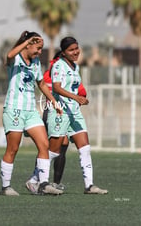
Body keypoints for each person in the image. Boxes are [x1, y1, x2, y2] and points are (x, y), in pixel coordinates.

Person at [0, 31, 62, 196]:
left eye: (42, 49)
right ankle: (6, 186)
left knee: (44, 145)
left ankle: (43, 183)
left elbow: (41, 84)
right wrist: (26, 41)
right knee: (12, 148)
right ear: (28, 44)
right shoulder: (16, 59)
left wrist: (54, 102)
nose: (40, 52)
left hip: (30, 111)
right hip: (14, 110)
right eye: (38, 48)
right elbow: (9, 54)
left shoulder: (35, 63)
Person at [47, 36, 107, 195]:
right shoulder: (58, 65)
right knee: (53, 151)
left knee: (85, 148)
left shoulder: (75, 67)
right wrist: (76, 97)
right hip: (61, 111)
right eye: (71, 50)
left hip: (74, 112)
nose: (75, 52)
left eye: (76, 48)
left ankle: (89, 186)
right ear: (64, 52)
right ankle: (36, 180)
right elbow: (57, 88)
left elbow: (73, 88)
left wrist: (79, 98)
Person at [25, 55, 87, 193]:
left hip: (66, 111)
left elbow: (81, 90)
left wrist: (80, 97)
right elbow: (51, 89)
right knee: (52, 147)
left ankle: (54, 182)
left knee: (61, 147)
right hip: (53, 111)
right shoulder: (51, 72)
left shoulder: (71, 70)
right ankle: (38, 179)